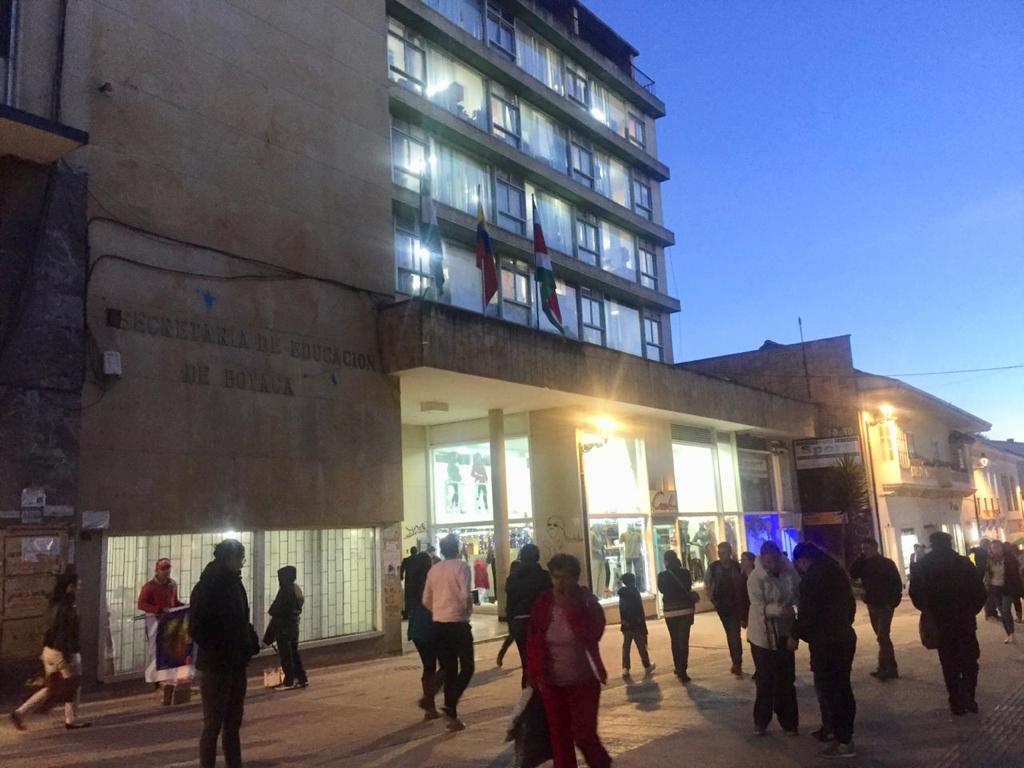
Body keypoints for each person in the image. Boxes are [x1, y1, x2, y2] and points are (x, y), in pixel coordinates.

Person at [527, 553, 610, 768]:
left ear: (575, 578)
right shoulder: (544, 603)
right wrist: (533, 671)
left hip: (583, 680)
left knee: (584, 734)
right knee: (559, 737)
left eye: (565, 577)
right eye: (556, 577)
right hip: (552, 682)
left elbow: (594, 632)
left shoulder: (587, 602)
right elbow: (534, 637)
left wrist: (572, 609)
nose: (560, 583)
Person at [190, 539, 260, 768]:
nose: (242, 563)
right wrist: (221, 647)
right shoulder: (206, 587)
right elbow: (197, 628)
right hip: (216, 666)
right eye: (240, 558)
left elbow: (242, 619)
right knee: (213, 725)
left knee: (233, 723)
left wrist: (249, 641)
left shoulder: (236, 585)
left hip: (236, 663)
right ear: (227, 558)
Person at [909, 531, 987, 715]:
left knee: (949, 662)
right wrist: (971, 610)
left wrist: (928, 610)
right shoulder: (963, 563)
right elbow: (979, 592)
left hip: (940, 621)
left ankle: (956, 701)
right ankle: (969, 697)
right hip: (964, 620)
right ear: (950, 543)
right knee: (969, 660)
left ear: (932, 544)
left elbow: (915, 593)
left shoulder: (923, 565)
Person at [791, 542, 857, 759]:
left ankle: (843, 740)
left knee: (833, 691)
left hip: (826, 641)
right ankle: (844, 736)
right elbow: (850, 606)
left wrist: (795, 634)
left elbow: (807, 613)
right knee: (842, 688)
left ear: (803, 560)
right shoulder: (837, 572)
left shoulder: (812, 579)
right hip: (844, 636)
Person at [10, 570, 89, 731]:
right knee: (73, 685)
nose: (80, 586)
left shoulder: (53, 604)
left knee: (52, 687)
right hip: (63, 652)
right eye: (77, 583)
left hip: (49, 651)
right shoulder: (67, 607)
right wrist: (66, 656)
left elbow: (47, 629)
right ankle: (70, 720)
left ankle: (20, 712)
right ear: (70, 587)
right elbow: (65, 634)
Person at [747, 541, 800, 736]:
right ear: (763, 559)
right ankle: (761, 720)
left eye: (775, 560)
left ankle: (789, 721)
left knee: (786, 679)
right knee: (765, 680)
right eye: (768, 561)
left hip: (784, 632)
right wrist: (778, 610)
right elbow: (757, 606)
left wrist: (794, 610)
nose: (772, 565)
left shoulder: (789, 572)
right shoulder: (755, 578)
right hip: (762, 635)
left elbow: (797, 595)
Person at [422, 533, 474, 731]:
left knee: (448, 669)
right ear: (457, 548)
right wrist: (466, 612)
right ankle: (450, 704)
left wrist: (438, 610)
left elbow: (426, 599)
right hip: (458, 623)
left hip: (439, 624)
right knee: (467, 667)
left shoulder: (434, 570)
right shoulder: (461, 567)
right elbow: (466, 594)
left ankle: (448, 713)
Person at [849, 537, 903, 680]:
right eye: (862, 549)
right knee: (881, 636)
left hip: (885, 604)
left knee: (883, 636)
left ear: (875, 548)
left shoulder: (886, 564)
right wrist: (860, 558)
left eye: (866, 549)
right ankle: (884, 667)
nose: (864, 551)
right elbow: (853, 573)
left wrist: (892, 602)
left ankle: (890, 668)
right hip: (872, 603)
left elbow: (896, 583)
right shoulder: (864, 564)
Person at [504, 546, 552, 687]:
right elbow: (550, 599)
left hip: (519, 622)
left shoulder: (512, 578)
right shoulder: (543, 576)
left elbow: (510, 605)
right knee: (542, 659)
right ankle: (541, 692)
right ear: (537, 557)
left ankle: (527, 690)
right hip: (539, 622)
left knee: (526, 661)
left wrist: (511, 625)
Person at [137, 558, 184, 686]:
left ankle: (167, 676)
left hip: (170, 622)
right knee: (156, 649)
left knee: (169, 648)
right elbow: (141, 604)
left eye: (168, 568)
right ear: (157, 570)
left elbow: (174, 602)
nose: (166, 571)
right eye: (163, 569)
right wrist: (158, 609)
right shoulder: (149, 586)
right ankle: (155, 678)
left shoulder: (172, 585)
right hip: (155, 622)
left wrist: (183, 606)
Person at [706, 541, 745, 676]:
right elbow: (708, 584)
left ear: (730, 553)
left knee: (734, 633)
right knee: (731, 633)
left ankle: (737, 662)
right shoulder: (714, 567)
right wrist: (713, 600)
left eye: (724, 553)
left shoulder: (736, 567)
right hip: (722, 605)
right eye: (720, 553)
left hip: (735, 604)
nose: (722, 556)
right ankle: (736, 660)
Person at [657, 550, 696, 682]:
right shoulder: (685, 573)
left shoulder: (662, 575)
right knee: (684, 640)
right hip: (685, 609)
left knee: (674, 639)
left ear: (666, 561)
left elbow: (662, 589)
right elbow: (688, 586)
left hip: (671, 611)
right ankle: (683, 669)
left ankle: (678, 666)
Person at [267, 565, 307, 689]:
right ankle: (301, 678)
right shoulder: (296, 589)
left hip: (284, 626)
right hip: (293, 624)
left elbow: (276, 608)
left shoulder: (285, 591)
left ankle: (289, 680)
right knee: (294, 653)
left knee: (286, 654)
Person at [408, 589, 442, 720]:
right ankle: (428, 700)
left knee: (429, 667)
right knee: (449, 666)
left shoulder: (416, 592)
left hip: (417, 631)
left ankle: (430, 709)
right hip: (429, 630)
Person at [618, 572, 654, 679]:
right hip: (636, 624)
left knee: (626, 647)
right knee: (641, 645)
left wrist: (624, 621)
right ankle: (646, 665)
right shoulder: (635, 592)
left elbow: (622, 609)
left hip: (626, 625)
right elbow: (640, 610)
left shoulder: (622, 594)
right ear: (633, 581)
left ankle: (625, 668)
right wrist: (643, 626)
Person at [984, 541, 1021, 643]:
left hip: (1007, 588)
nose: (995, 550)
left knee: (1005, 611)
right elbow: (988, 573)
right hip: (995, 588)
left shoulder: (1009, 558)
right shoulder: (990, 560)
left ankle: (1011, 633)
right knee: (1003, 612)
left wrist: (1017, 588)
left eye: (997, 547)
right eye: (993, 548)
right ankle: (1009, 634)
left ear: (1002, 548)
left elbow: (1015, 575)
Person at [739, 551, 756, 630]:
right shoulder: (741, 578)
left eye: (744, 560)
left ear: (751, 561)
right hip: (747, 610)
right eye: (741, 560)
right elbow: (741, 597)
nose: (742, 562)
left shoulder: (757, 576)